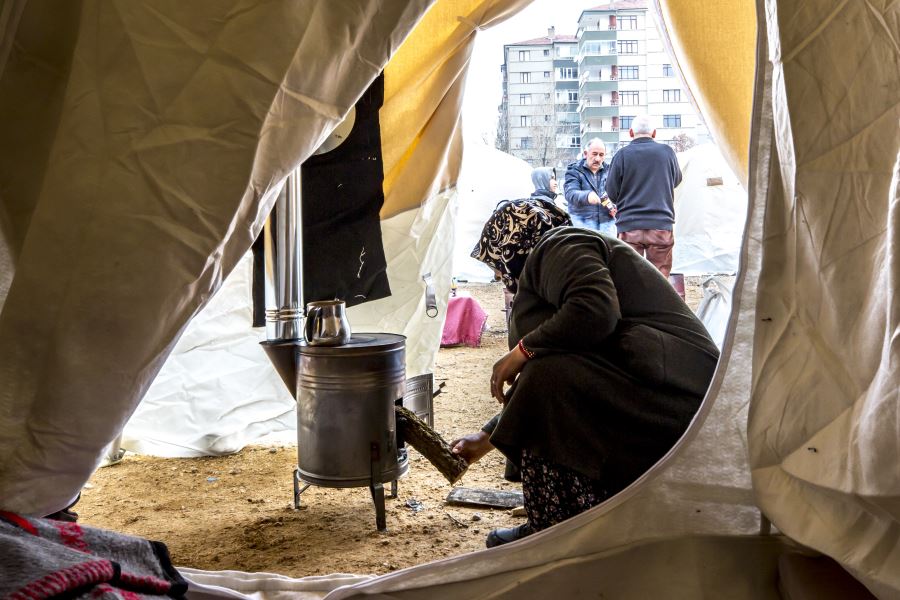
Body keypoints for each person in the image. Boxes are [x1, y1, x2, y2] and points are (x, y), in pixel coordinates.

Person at [455, 200, 719, 548]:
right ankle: (564, 521)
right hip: (665, 388)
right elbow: (581, 354)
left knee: (547, 374)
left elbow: (594, 311)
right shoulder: (561, 255)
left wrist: (522, 351)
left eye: (498, 264)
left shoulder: (559, 245)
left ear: (512, 246)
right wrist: (487, 437)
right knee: (549, 372)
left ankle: (556, 526)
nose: (500, 278)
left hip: (680, 397)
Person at [605, 114, 683, 278]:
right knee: (660, 278)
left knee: (630, 277)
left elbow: (611, 192)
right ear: (654, 133)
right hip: (661, 225)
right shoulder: (667, 153)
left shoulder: (622, 155)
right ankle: (659, 303)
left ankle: (633, 304)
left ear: (631, 133)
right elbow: (676, 180)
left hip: (629, 227)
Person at [563, 138, 617, 237]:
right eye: (594, 154)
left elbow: (617, 194)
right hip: (581, 223)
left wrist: (614, 207)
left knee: (608, 252)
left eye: (601, 155)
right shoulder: (574, 171)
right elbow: (570, 193)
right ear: (585, 153)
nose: (598, 159)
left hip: (607, 225)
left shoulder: (610, 171)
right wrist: (586, 196)